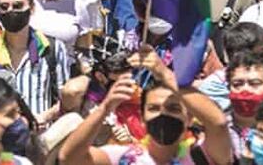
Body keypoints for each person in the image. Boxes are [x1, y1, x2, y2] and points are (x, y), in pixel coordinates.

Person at [59, 45, 232, 165]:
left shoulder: (202, 155)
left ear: (188, 117)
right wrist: (105, 108)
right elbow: (69, 158)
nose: (163, 115)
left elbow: (218, 123)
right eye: (153, 109)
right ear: (142, 118)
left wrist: (165, 74)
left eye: (174, 108)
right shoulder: (125, 158)